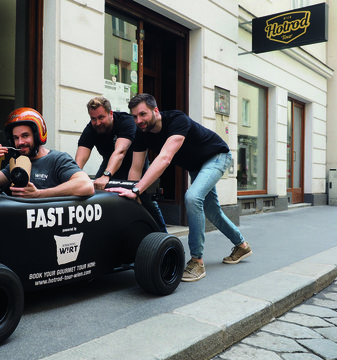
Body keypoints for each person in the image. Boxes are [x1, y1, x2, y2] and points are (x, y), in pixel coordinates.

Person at [106, 93, 251, 282]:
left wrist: (137, 190)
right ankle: (242, 245)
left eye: (143, 114)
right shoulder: (141, 133)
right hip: (196, 166)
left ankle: (196, 261)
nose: (138, 120)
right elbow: (136, 167)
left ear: (155, 111)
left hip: (217, 156)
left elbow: (165, 158)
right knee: (212, 211)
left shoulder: (176, 119)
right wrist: (134, 195)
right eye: (134, 116)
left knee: (192, 198)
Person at [75, 96, 167, 232]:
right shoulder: (91, 129)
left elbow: (120, 151)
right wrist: (74, 177)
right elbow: (80, 160)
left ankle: (164, 237)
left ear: (110, 114)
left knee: (147, 201)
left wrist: (106, 175)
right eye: (93, 119)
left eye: (101, 117)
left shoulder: (126, 121)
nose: (97, 122)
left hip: (135, 164)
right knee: (97, 194)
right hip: (109, 163)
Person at [0, 107, 94, 198]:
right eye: (16, 138)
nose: (20, 142)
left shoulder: (58, 159)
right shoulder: (17, 164)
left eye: (25, 136)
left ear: (38, 136)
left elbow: (86, 185)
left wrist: (39, 194)